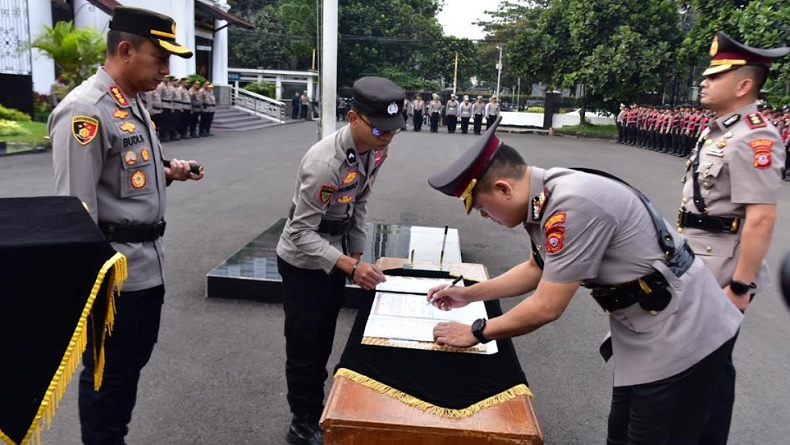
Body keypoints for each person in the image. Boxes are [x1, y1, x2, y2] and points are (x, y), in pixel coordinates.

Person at [426, 116, 742, 444]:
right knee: (622, 435)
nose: (484, 217)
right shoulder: (544, 196)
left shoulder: (571, 205)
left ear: (504, 188)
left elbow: (547, 306)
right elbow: (536, 268)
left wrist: (477, 332)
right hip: (647, 325)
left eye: (482, 208)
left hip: (682, 330)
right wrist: (469, 294)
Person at [48, 7, 204, 445]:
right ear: (125, 50)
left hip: (147, 267)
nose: (166, 70)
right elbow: (75, 212)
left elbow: (126, 174)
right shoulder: (85, 111)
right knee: (107, 377)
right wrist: (90, 290)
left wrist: (169, 172)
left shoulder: (131, 101)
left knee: (128, 367)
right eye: (160, 57)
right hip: (112, 277)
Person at [276, 76, 405, 445]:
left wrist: (356, 253)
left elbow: (359, 202)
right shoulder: (325, 163)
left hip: (335, 253)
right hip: (304, 262)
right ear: (353, 118)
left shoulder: (375, 150)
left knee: (324, 337)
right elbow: (300, 233)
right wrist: (349, 265)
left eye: (394, 130)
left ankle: (315, 408)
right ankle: (302, 422)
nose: (387, 137)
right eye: (380, 129)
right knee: (306, 346)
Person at [677, 31, 788, 445]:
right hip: (698, 257)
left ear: (743, 85)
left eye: (714, 76)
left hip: (723, 267)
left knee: (710, 368)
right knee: (688, 364)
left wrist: (740, 286)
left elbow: (760, 217)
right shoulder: (719, 130)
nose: (703, 82)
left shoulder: (754, 136)